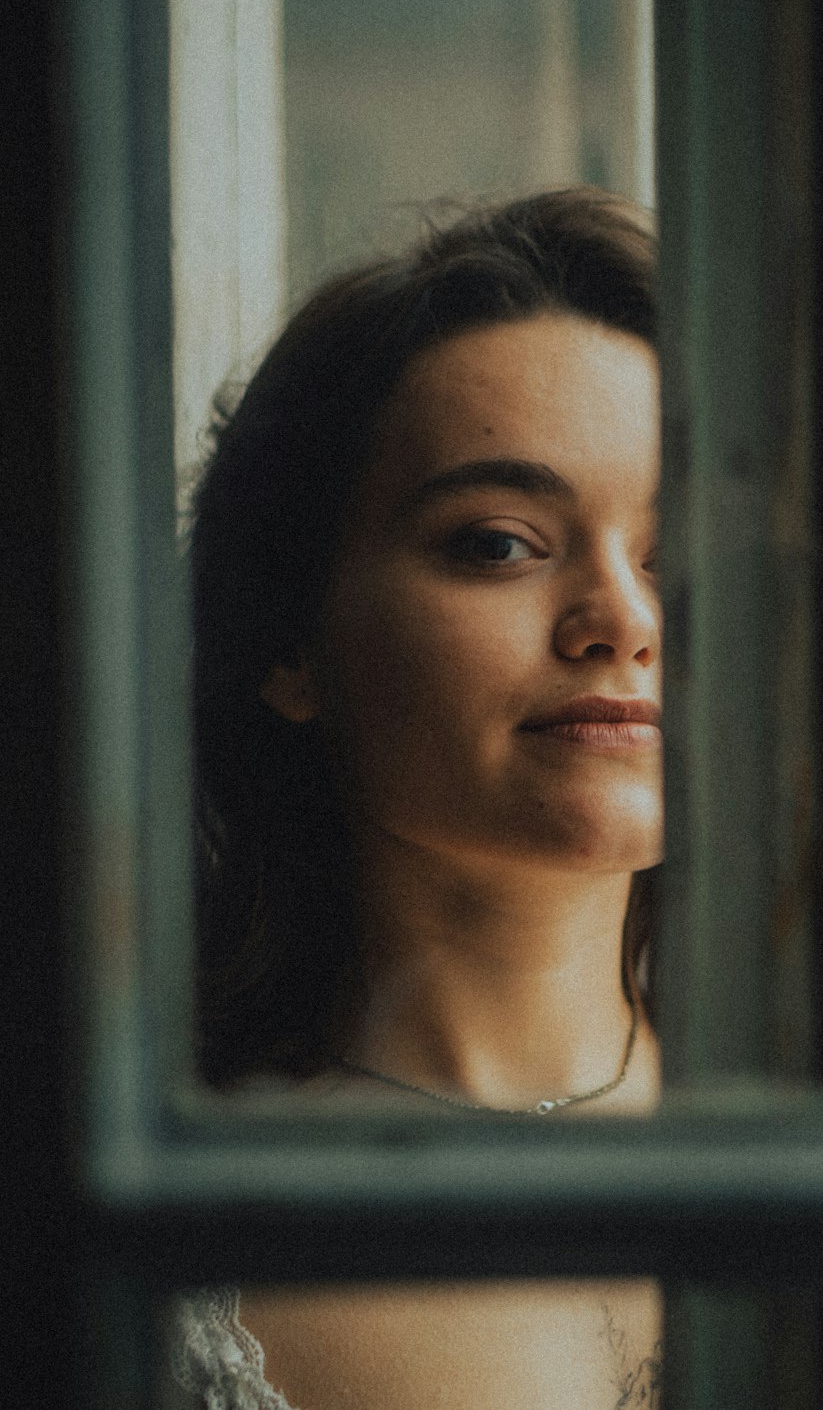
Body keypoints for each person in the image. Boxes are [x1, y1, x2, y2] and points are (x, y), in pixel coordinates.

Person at [173, 186, 665, 1409]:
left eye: (675, 551)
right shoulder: (173, 1234)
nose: (625, 619)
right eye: (500, 542)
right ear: (290, 642)